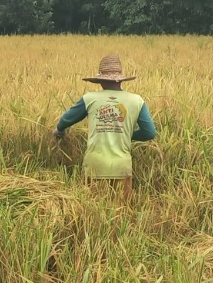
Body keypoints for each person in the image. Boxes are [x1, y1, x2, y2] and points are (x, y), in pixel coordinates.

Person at [53, 53, 157, 200]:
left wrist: (59, 130)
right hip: (122, 167)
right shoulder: (137, 101)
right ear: (121, 80)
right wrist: (126, 134)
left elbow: (65, 120)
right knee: (122, 213)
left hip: (94, 166)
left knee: (91, 212)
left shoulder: (89, 98)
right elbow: (150, 133)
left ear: (100, 80)